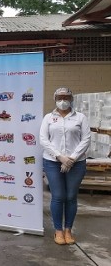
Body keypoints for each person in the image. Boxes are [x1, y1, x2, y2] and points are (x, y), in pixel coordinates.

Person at [39, 87, 90, 245]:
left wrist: (72, 158)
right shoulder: (48, 118)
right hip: (53, 162)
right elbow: (43, 139)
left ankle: (68, 230)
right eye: (60, 97)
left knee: (71, 197)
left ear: (71, 99)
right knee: (58, 196)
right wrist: (60, 157)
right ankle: (58, 231)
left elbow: (86, 139)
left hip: (76, 163)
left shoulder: (80, 117)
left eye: (66, 97)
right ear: (55, 99)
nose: (63, 101)